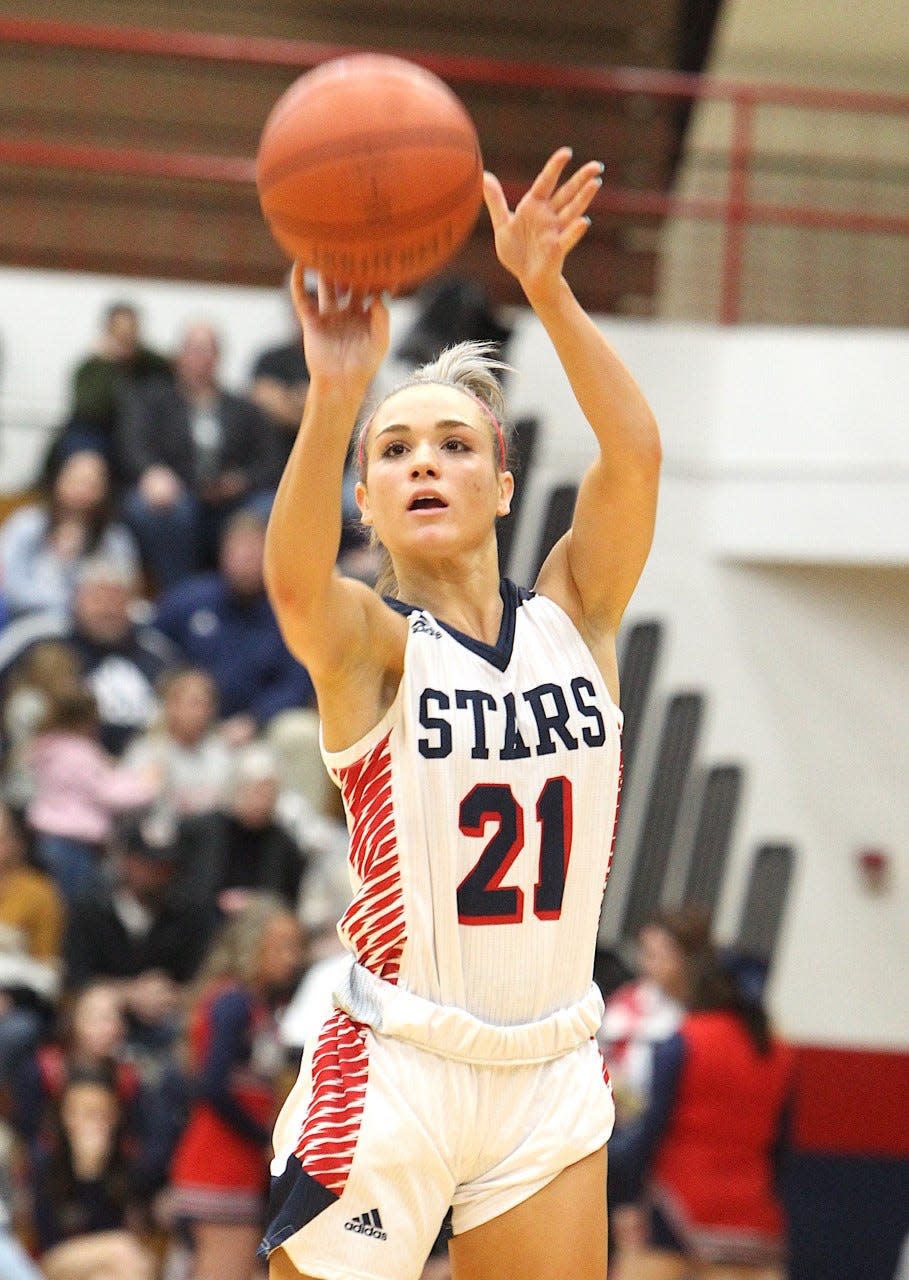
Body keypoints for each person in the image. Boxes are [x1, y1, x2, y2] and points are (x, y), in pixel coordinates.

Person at [258, 145, 662, 1280]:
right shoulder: (375, 649)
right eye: (395, 452)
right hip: (398, 1064)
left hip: (548, 1066)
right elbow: (293, 586)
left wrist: (547, 286)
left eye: (453, 444)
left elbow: (635, 454)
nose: (423, 462)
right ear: (371, 509)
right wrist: (338, 389)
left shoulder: (578, 615)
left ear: (502, 482)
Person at [606, 948, 795, 1280]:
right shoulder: (780, 1054)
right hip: (751, 1214)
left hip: (677, 1204)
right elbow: (780, 1148)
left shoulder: (686, 1039)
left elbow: (651, 1130)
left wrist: (628, 1200)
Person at [167, 892, 306, 1280]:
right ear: (252, 946)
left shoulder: (257, 1005)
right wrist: (262, 1136)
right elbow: (211, 1085)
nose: (292, 957)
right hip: (218, 1162)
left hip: (236, 1164)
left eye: (296, 947)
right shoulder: (232, 1002)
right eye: (281, 946)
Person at [118, 321, 278, 587]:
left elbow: (270, 460)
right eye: (193, 350)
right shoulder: (154, 400)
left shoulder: (243, 408)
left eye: (207, 351)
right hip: (176, 490)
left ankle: (251, 597)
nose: (199, 359)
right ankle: (179, 592)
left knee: (269, 510)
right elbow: (133, 444)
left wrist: (241, 481)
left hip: (233, 496)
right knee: (157, 510)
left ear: (218, 358)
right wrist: (152, 473)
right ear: (179, 356)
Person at [153, 507, 315, 747]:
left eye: (253, 552)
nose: (245, 561)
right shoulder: (187, 601)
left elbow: (298, 680)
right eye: (238, 552)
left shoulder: (289, 611)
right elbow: (151, 649)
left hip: (257, 728)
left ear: (270, 556)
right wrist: (180, 702)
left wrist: (256, 719)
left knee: (301, 732)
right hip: (186, 720)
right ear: (222, 554)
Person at [0, 553, 183, 757]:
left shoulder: (156, 651)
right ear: (76, 599)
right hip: (52, 769)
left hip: (142, 768)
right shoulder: (39, 641)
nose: (107, 609)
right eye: (97, 599)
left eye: (116, 599)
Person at [25, 685, 162, 902]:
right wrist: (147, 785)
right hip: (73, 844)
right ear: (87, 720)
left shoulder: (48, 748)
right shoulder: (79, 752)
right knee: (76, 906)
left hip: (49, 839)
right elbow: (106, 791)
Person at [28, 1064, 158, 1280]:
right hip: (58, 1262)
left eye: (99, 1114)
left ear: (115, 1116)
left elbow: (130, 1228)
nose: (89, 1124)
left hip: (113, 1264)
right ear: (63, 1115)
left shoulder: (126, 1162)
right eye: (79, 1113)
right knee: (123, 1250)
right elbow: (47, 1246)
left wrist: (94, 1174)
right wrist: (85, 1173)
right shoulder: (45, 1162)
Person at [0, 449, 141, 619]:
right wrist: (59, 564)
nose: (82, 490)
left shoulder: (114, 538)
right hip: (25, 619)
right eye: (77, 480)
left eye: (91, 483)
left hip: (92, 628)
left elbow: (125, 591)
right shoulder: (27, 524)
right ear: (59, 480)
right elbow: (9, 585)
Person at [42, 300, 171, 483]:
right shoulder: (91, 367)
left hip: (140, 435)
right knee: (80, 441)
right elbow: (89, 409)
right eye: (119, 332)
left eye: (130, 331)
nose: (125, 337)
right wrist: (107, 364)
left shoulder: (152, 365)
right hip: (100, 435)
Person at [0, 801, 64, 1084]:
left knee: (17, 1031)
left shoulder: (40, 894)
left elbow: (48, 973)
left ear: (15, 842)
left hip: (16, 1003)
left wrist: (11, 997)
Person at [122, 665, 234, 817]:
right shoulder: (147, 751)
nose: (201, 712)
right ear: (171, 705)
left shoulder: (222, 751)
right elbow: (128, 805)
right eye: (194, 703)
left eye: (206, 704)